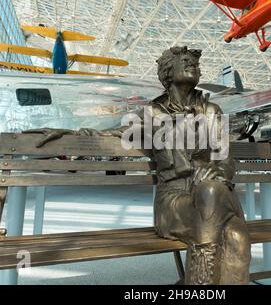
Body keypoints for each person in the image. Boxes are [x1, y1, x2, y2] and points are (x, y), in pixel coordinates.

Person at [27, 46, 251, 285]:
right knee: (236, 237)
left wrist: (218, 170)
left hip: (213, 196)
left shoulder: (211, 111)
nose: (193, 65)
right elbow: (114, 135)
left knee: (211, 190)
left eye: (195, 63)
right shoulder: (151, 114)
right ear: (168, 71)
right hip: (175, 200)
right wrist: (69, 134)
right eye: (185, 61)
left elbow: (225, 159)